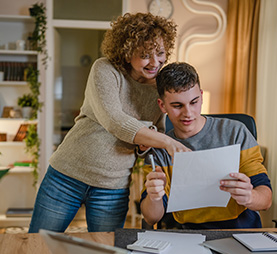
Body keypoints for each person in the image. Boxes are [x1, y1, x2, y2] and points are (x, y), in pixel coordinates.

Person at [29, 13, 190, 233]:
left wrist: (146, 145)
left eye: (160, 53)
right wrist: (164, 140)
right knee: (40, 245)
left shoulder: (160, 88)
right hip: (66, 178)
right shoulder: (105, 69)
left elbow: (155, 132)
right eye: (145, 54)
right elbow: (114, 120)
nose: (155, 62)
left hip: (112, 189)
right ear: (126, 52)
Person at [140, 62, 272, 229]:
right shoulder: (160, 149)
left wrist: (250, 197)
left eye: (194, 102)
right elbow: (151, 218)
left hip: (238, 231)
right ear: (162, 105)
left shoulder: (236, 132)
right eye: (177, 106)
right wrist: (154, 197)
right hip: (184, 236)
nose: (188, 113)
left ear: (201, 96)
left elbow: (266, 200)